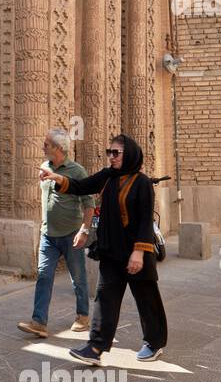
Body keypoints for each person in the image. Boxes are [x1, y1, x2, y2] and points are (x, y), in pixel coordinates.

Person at [40, 134, 167, 364]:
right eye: (109, 152)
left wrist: (139, 252)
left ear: (128, 154)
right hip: (111, 252)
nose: (111, 157)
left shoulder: (142, 183)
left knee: (146, 299)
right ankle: (95, 348)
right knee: (105, 299)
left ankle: (154, 342)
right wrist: (57, 178)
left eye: (116, 153)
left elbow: (145, 220)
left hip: (136, 253)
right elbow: (81, 186)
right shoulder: (108, 176)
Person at [18, 128, 94, 338]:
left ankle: (83, 316)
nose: (43, 147)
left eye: (47, 144)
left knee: (78, 278)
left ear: (59, 148)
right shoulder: (44, 166)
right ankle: (39, 322)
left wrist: (84, 230)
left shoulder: (77, 172)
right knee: (44, 275)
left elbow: (89, 204)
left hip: (71, 234)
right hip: (48, 234)